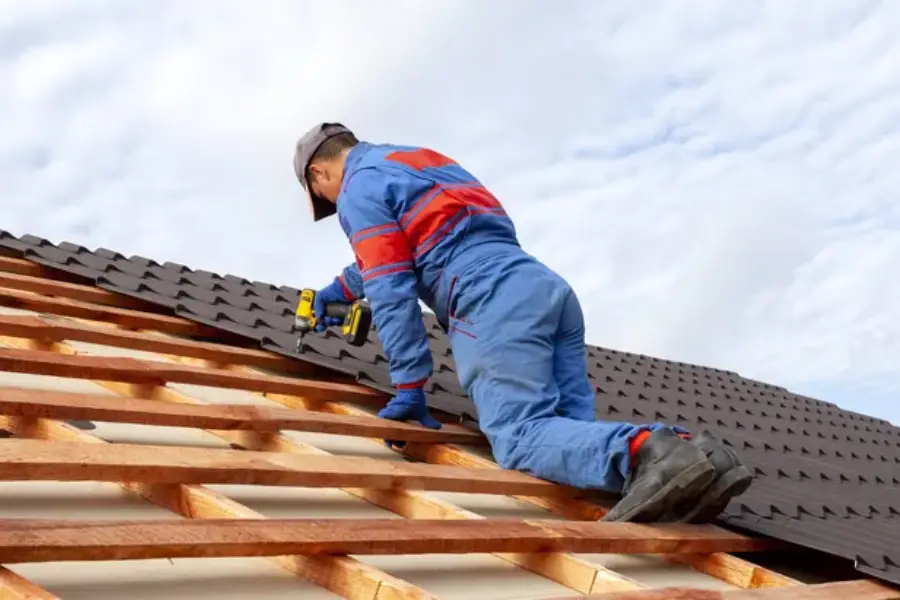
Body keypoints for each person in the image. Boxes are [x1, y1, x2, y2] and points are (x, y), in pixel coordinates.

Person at [292, 122, 752, 522]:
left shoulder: (357, 190)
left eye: (324, 197)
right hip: (541, 287)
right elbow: (412, 247)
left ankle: (654, 450)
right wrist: (342, 289)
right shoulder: (415, 159)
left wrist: (410, 386)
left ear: (319, 174)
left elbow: (393, 290)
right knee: (568, 442)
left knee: (519, 438)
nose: (336, 202)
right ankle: (702, 454)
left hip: (489, 298)